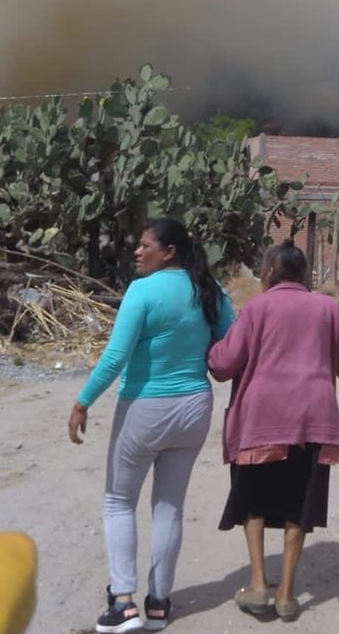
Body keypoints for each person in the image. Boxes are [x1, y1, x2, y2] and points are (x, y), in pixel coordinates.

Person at [68, 219, 234, 634]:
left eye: (146, 246)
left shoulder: (142, 291)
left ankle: (123, 603)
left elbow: (115, 357)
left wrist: (83, 401)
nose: (137, 252)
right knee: (169, 507)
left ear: (169, 252)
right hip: (194, 407)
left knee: (119, 502)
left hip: (145, 407)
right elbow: (231, 346)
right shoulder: (212, 290)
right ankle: (158, 604)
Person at [207, 240, 339, 622]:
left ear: (269, 272)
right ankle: (286, 594)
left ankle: (257, 584)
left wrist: (210, 351)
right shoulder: (326, 308)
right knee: (301, 501)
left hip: (260, 419)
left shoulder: (256, 308)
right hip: (311, 419)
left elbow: (224, 364)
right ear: (303, 274)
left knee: (253, 499)